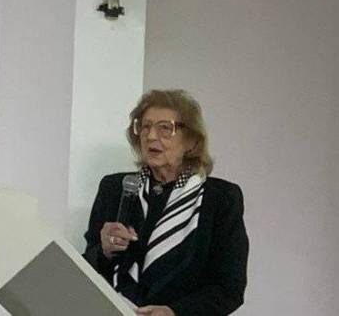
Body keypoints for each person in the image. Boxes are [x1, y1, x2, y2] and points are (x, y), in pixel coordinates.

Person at [83, 90, 248, 316]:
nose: (151, 136)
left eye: (165, 128)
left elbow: (229, 288)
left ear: (191, 141)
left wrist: (174, 312)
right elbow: (86, 267)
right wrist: (104, 251)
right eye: (145, 126)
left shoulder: (220, 198)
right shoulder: (115, 188)